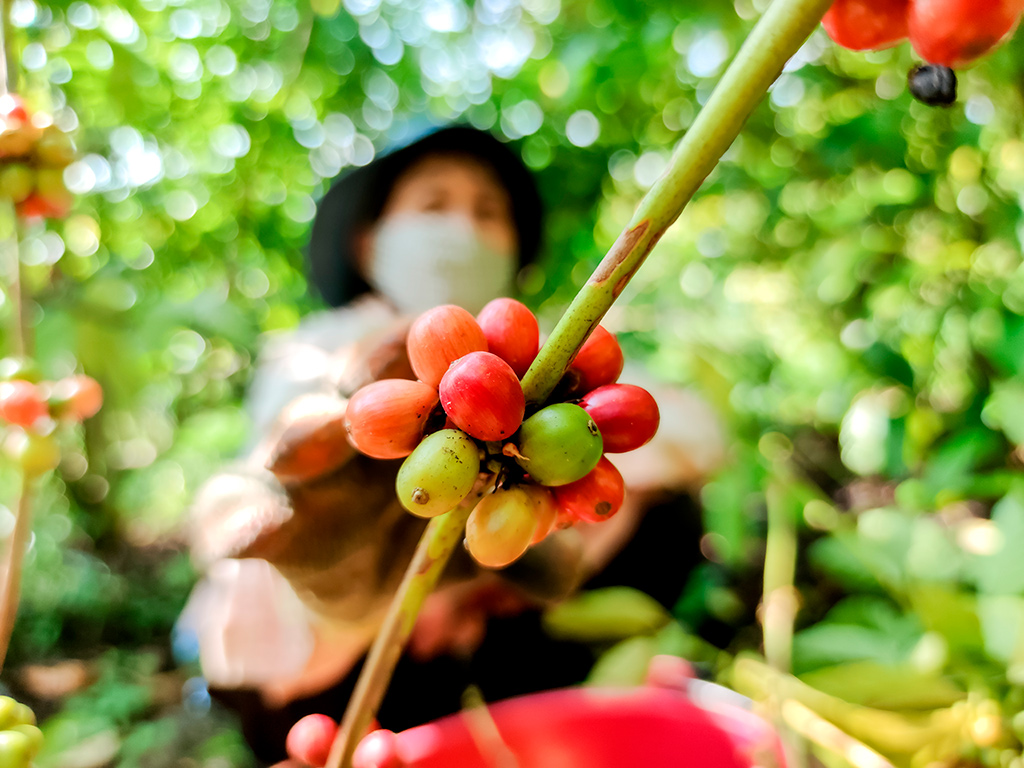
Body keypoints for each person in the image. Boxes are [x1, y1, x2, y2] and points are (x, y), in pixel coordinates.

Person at [177, 125, 723, 764]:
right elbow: (290, 452)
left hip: (483, 612)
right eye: (434, 205)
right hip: (336, 661)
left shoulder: (540, 354)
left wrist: (463, 583)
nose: (461, 227)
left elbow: (690, 429)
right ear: (368, 241)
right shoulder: (320, 343)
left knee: (662, 508)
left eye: (487, 213)